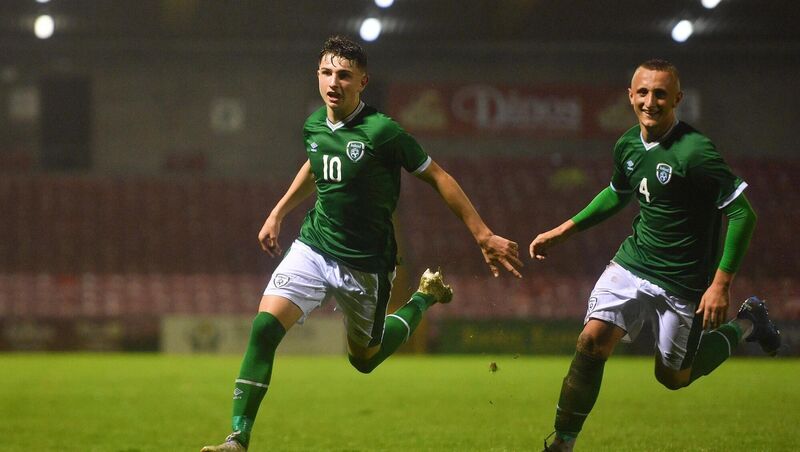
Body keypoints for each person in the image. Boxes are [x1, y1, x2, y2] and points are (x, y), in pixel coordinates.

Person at [201, 35, 523, 452]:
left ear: (362, 82)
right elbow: (316, 163)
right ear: (318, 76)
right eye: (326, 73)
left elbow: (438, 176)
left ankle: (423, 297)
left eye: (344, 75)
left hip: (366, 264)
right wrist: (278, 212)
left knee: (364, 360)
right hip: (314, 247)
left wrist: (482, 233)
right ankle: (237, 438)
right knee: (264, 327)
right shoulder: (314, 124)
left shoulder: (383, 132)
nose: (334, 82)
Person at [530, 59, 781, 452]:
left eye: (660, 94)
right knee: (591, 341)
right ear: (630, 96)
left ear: (677, 99)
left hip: (683, 280)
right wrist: (562, 231)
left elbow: (742, 213)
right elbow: (617, 194)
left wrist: (720, 284)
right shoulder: (627, 144)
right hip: (633, 262)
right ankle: (562, 443)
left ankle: (749, 322)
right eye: (643, 92)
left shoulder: (696, 151)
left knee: (673, 378)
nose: (650, 101)